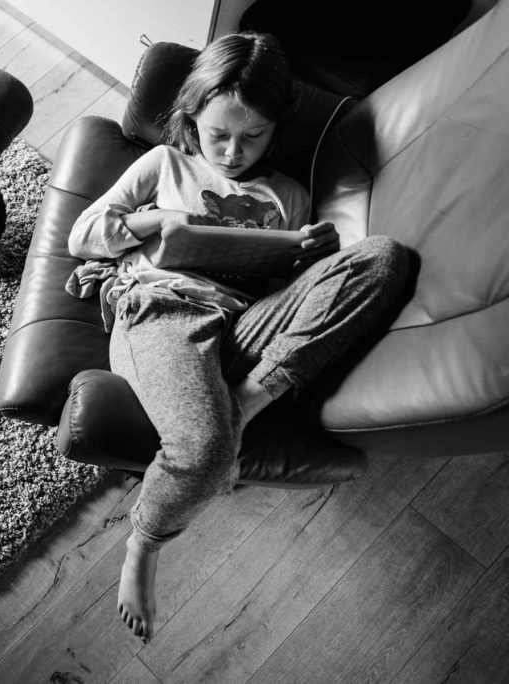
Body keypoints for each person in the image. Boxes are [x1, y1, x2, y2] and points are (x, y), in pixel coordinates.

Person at [66, 32, 411, 641]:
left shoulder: (289, 194)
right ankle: (145, 542)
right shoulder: (165, 164)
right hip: (162, 310)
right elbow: (85, 235)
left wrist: (308, 257)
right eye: (217, 133)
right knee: (202, 452)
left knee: (382, 257)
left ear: (277, 129)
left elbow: (298, 294)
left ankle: (246, 401)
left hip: (246, 325)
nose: (231, 152)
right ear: (191, 117)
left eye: (252, 137)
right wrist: (160, 221)